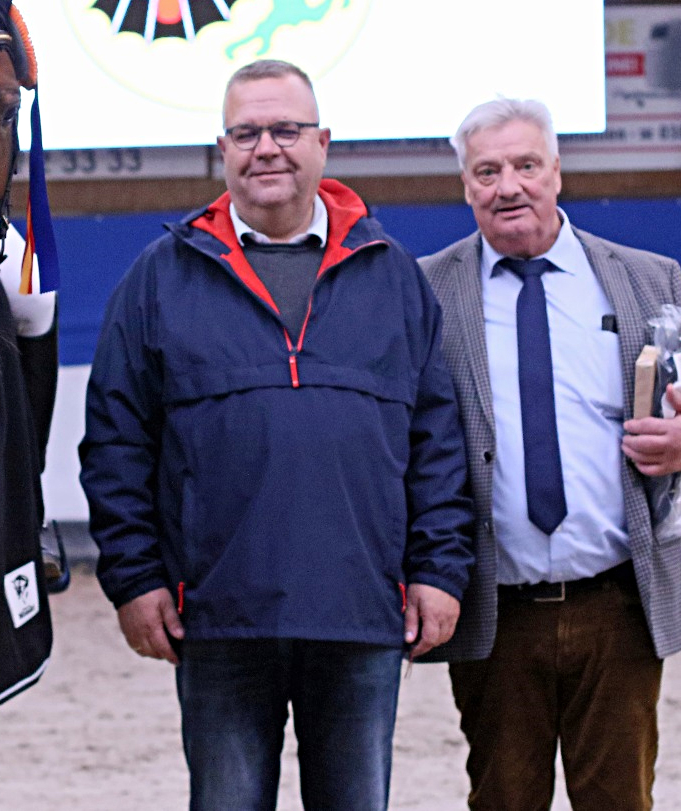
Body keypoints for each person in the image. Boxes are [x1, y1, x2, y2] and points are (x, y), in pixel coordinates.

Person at [79, 59, 474, 811]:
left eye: (286, 130)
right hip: (220, 618)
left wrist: (438, 570)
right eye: (247, 132)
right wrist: (134, 579)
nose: (267, 147)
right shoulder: (159, 277)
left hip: (360, 612)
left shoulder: (392, 276)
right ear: (221, 150)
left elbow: (437, 444)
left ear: (323, 142)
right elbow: (115, 443)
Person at [419, 97, 681, 811]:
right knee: (502, 800)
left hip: (619, 604)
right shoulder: (424, 290)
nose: (509, 186)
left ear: (557, 170)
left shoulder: (647, 278)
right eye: (487, 170)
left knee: (621, 802)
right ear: (466, 185)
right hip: (494, 612)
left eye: (526, 165)